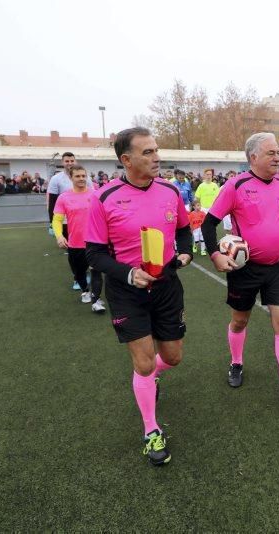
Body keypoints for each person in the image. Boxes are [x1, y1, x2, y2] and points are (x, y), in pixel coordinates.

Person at [85, 127, 193, 466]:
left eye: (156, 150)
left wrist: (186, 253)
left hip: (167, 287)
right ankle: (151, 430)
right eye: (147, 152)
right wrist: (129, 273)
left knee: (172, 358)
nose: (156, 157)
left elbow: (184, 231)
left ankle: (150, 377)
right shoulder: (103, 198)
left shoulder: (170, 190)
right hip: (127, 291)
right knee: (144, 362)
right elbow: (95, 255)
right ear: (126, 160)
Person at [201, 132, 279, 410]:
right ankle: (236, 362)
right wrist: (215, 255)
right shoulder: (235, 185)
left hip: (277, 267)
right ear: (253, 157)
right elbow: (208, 224)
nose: (277, 157)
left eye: (278, 152)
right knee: (240, 321)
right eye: (271, 153)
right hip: (245, 269)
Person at [52, 165, 105, 312]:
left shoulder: (96, 195)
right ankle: (85, 291)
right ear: (71, 178)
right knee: (79, 272)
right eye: (78, 176)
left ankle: (96, 300)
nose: (81, 179)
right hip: (75, 243)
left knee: (95, 270)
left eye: (83, 176)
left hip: (95, 242)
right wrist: (59, 235)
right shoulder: (64, 197)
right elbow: (57, 220)